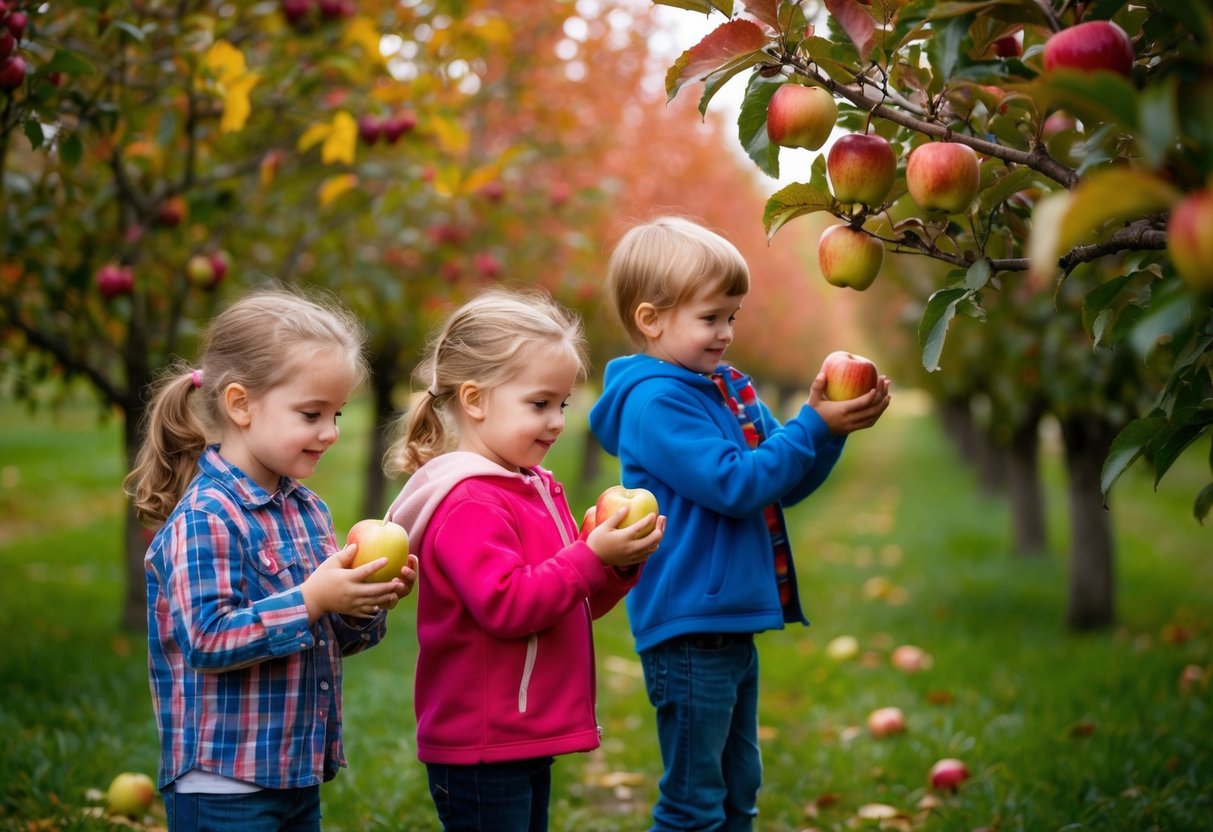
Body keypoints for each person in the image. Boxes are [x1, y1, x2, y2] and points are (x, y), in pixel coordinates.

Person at [588, 216, 891, 831]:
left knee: (736, 787)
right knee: (694, 799)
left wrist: (825, 431)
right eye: (711, 318)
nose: (727, 332)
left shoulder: (720, 388)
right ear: (652, 319)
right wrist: (813, 427)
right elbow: (736, 485)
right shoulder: (658, 402)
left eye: (733, 315)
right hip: (691, 626)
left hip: (725, 623)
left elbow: (779, 483)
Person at [124, 287, 418, 832]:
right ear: (240, 404)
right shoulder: (206, 517)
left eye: (336, 413)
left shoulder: (307, 510)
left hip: (294, 774)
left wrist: (362, 603)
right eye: (311, 414)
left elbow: (331, 636)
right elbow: (207, 641)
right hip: (223, 784)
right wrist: (311, 598)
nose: (330, 432)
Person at [383, 286, 665, 832]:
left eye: (562, 404)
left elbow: (565, 602)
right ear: (475, 399)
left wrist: (616, 564)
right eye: (539, 404)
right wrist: (588, 557)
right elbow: (509, 606)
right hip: (483, 742)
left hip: (518, 735)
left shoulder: (529, 487)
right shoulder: (469, 502)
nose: (557, 420)